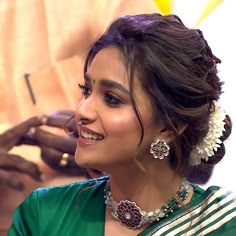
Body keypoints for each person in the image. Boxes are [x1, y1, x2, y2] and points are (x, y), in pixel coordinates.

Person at [8, 13, 236, 235]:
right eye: (86, 90)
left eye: (112, 99)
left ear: (170, 127)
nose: (81, 110)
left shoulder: (222, 226)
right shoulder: (42, 215)